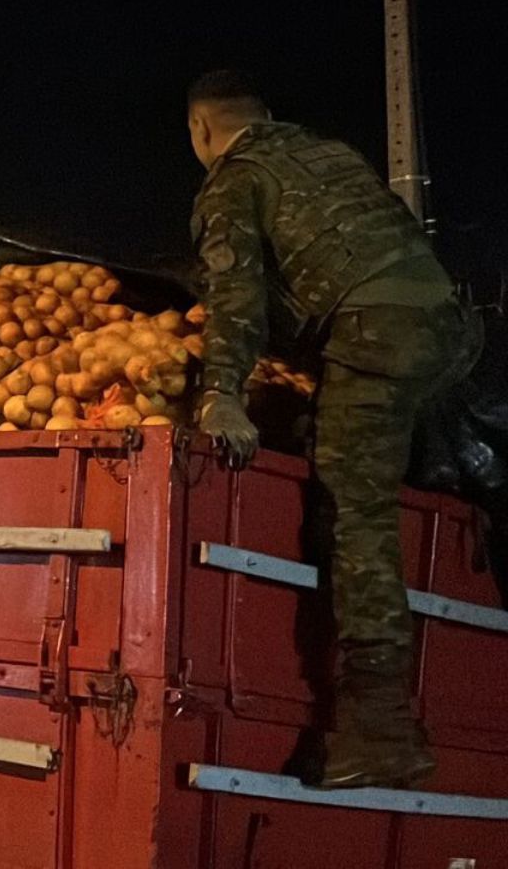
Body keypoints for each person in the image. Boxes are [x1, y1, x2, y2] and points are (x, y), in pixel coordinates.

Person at [186, 70, 479, 789]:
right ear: (267, 114)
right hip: (451, 330)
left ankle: (380, 726)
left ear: (201, 129)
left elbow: (235, 295)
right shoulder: (331, 154)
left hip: (379, 337)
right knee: (362, 451)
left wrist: (222, 393)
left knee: (356, 506)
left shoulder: (234, 178)